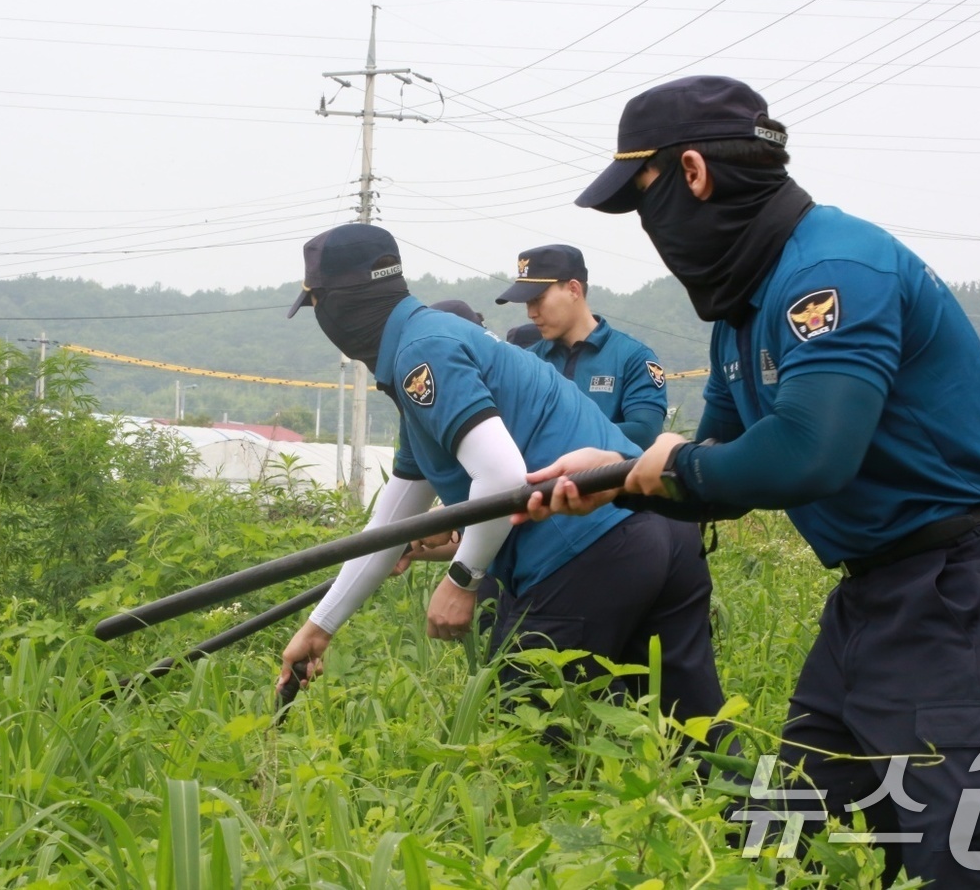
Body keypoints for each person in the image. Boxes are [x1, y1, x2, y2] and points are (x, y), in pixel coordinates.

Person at [521, 75, 980, 888]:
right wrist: (619, 478)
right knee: (781, 836)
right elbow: (723, 466)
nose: (651, 231)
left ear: (692, 173)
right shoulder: (746, 307)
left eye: (643, 202)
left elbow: (809, 454)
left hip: (964, 586)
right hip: (871, 599)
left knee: (962, 860)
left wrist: (671, 468)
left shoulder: (831, 272)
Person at [278, 222, 726, 730]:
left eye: (318, 305)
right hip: (660, 528)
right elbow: (389, 529)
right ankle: (776, 810)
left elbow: (501, 476)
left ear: (343, 302)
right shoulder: (434, 344)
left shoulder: (420, 352)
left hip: (588, 545)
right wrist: (321, 628)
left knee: (525, 744)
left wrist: (462, 579)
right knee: (696, 730)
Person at [496, 243, 669, 448]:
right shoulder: (528, 362)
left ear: (573, 289)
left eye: (537, 300)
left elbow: (645, 433)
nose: (531, 312)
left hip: (607, 479)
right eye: (527, 303)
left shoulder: (632, 357)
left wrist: (561, 434)